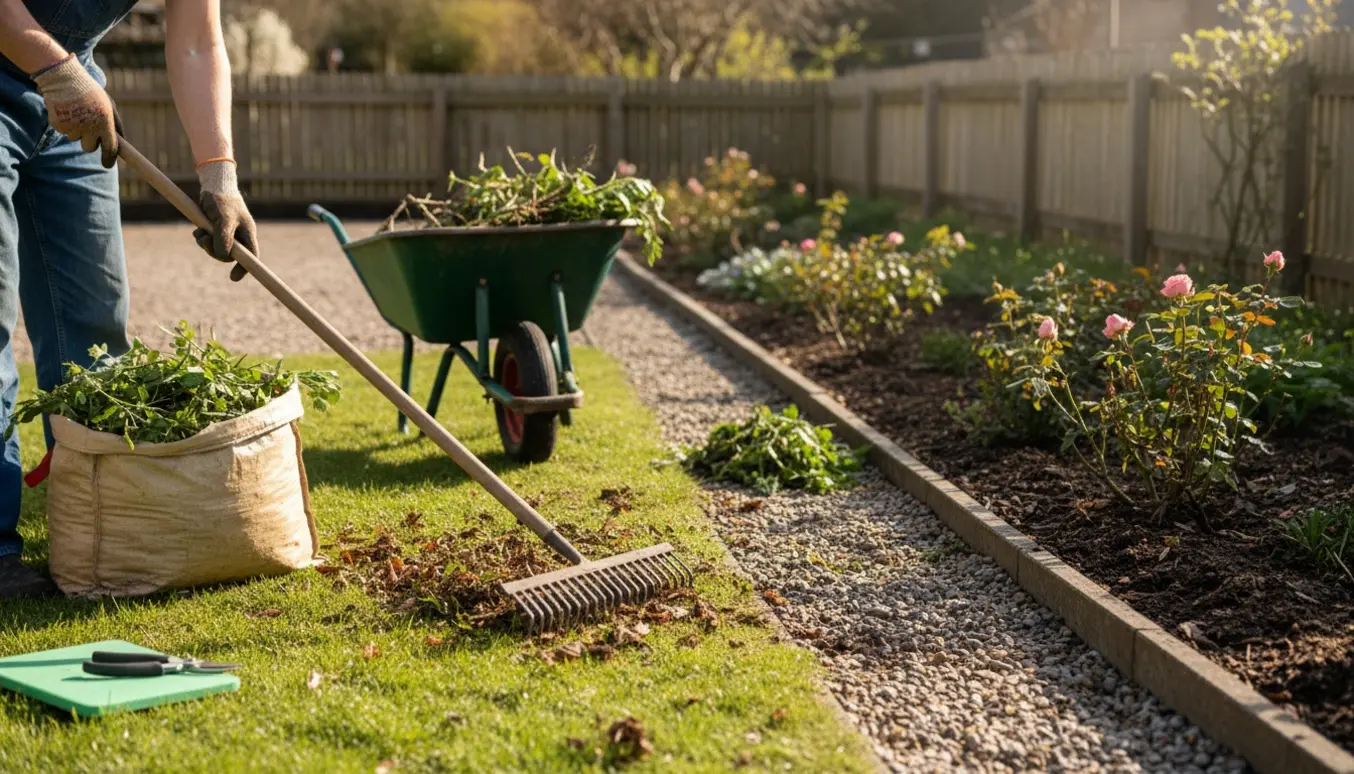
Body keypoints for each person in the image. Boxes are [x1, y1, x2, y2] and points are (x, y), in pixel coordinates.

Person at [0, 0, 258, 597]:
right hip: (45, 69)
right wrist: (53, 68)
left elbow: (197, 40)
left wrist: (219, 174)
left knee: (93, 332)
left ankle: (101, 526)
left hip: (71, 82)